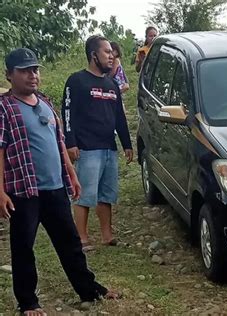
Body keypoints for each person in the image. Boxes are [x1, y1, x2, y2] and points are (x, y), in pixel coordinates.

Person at [0, 48, 118, 316]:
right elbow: (1, 149)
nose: (33, 75)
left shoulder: (44, 103)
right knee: (23, 248)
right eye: (25, 71)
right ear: (10, 75)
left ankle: (89, 290)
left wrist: (72, 175)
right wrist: (0, 192)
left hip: (55, 189)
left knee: (71, 243)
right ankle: (28, 302)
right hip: (23, 190)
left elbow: (59, 143)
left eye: (35, 70)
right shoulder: (4, 108)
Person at [61, 35, 133, 251]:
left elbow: (119, 116)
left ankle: (107, 235)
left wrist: (127, 143)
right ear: (94, 55)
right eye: (106, 52)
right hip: (86, 147)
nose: (111, 56)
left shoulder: (112, 84)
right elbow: (67, 113)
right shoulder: (77, 81)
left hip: (109, 147)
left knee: (106, 194)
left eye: (112, 52)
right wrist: (70, 142)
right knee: (84, 194)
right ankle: (81, 238)